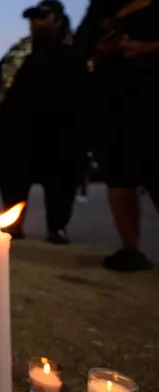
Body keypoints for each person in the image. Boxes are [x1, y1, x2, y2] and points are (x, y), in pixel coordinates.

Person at [0, 1, 86, 244]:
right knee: (13, 178)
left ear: (58, 20)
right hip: (17, 129)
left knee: (62, 181)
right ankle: (14, 223)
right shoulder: (19, 51)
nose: (35, 23)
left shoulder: (75, 51)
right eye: (33, 18)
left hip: (60, 130)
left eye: (42, 17)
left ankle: (57, 227)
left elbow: (86, 89)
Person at [75, 0, 159, 270]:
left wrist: (145, 47)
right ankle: (130, 247)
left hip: (151, 95)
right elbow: (81, 47)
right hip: (111, 101)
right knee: (118, 175)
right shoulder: (101, 10)